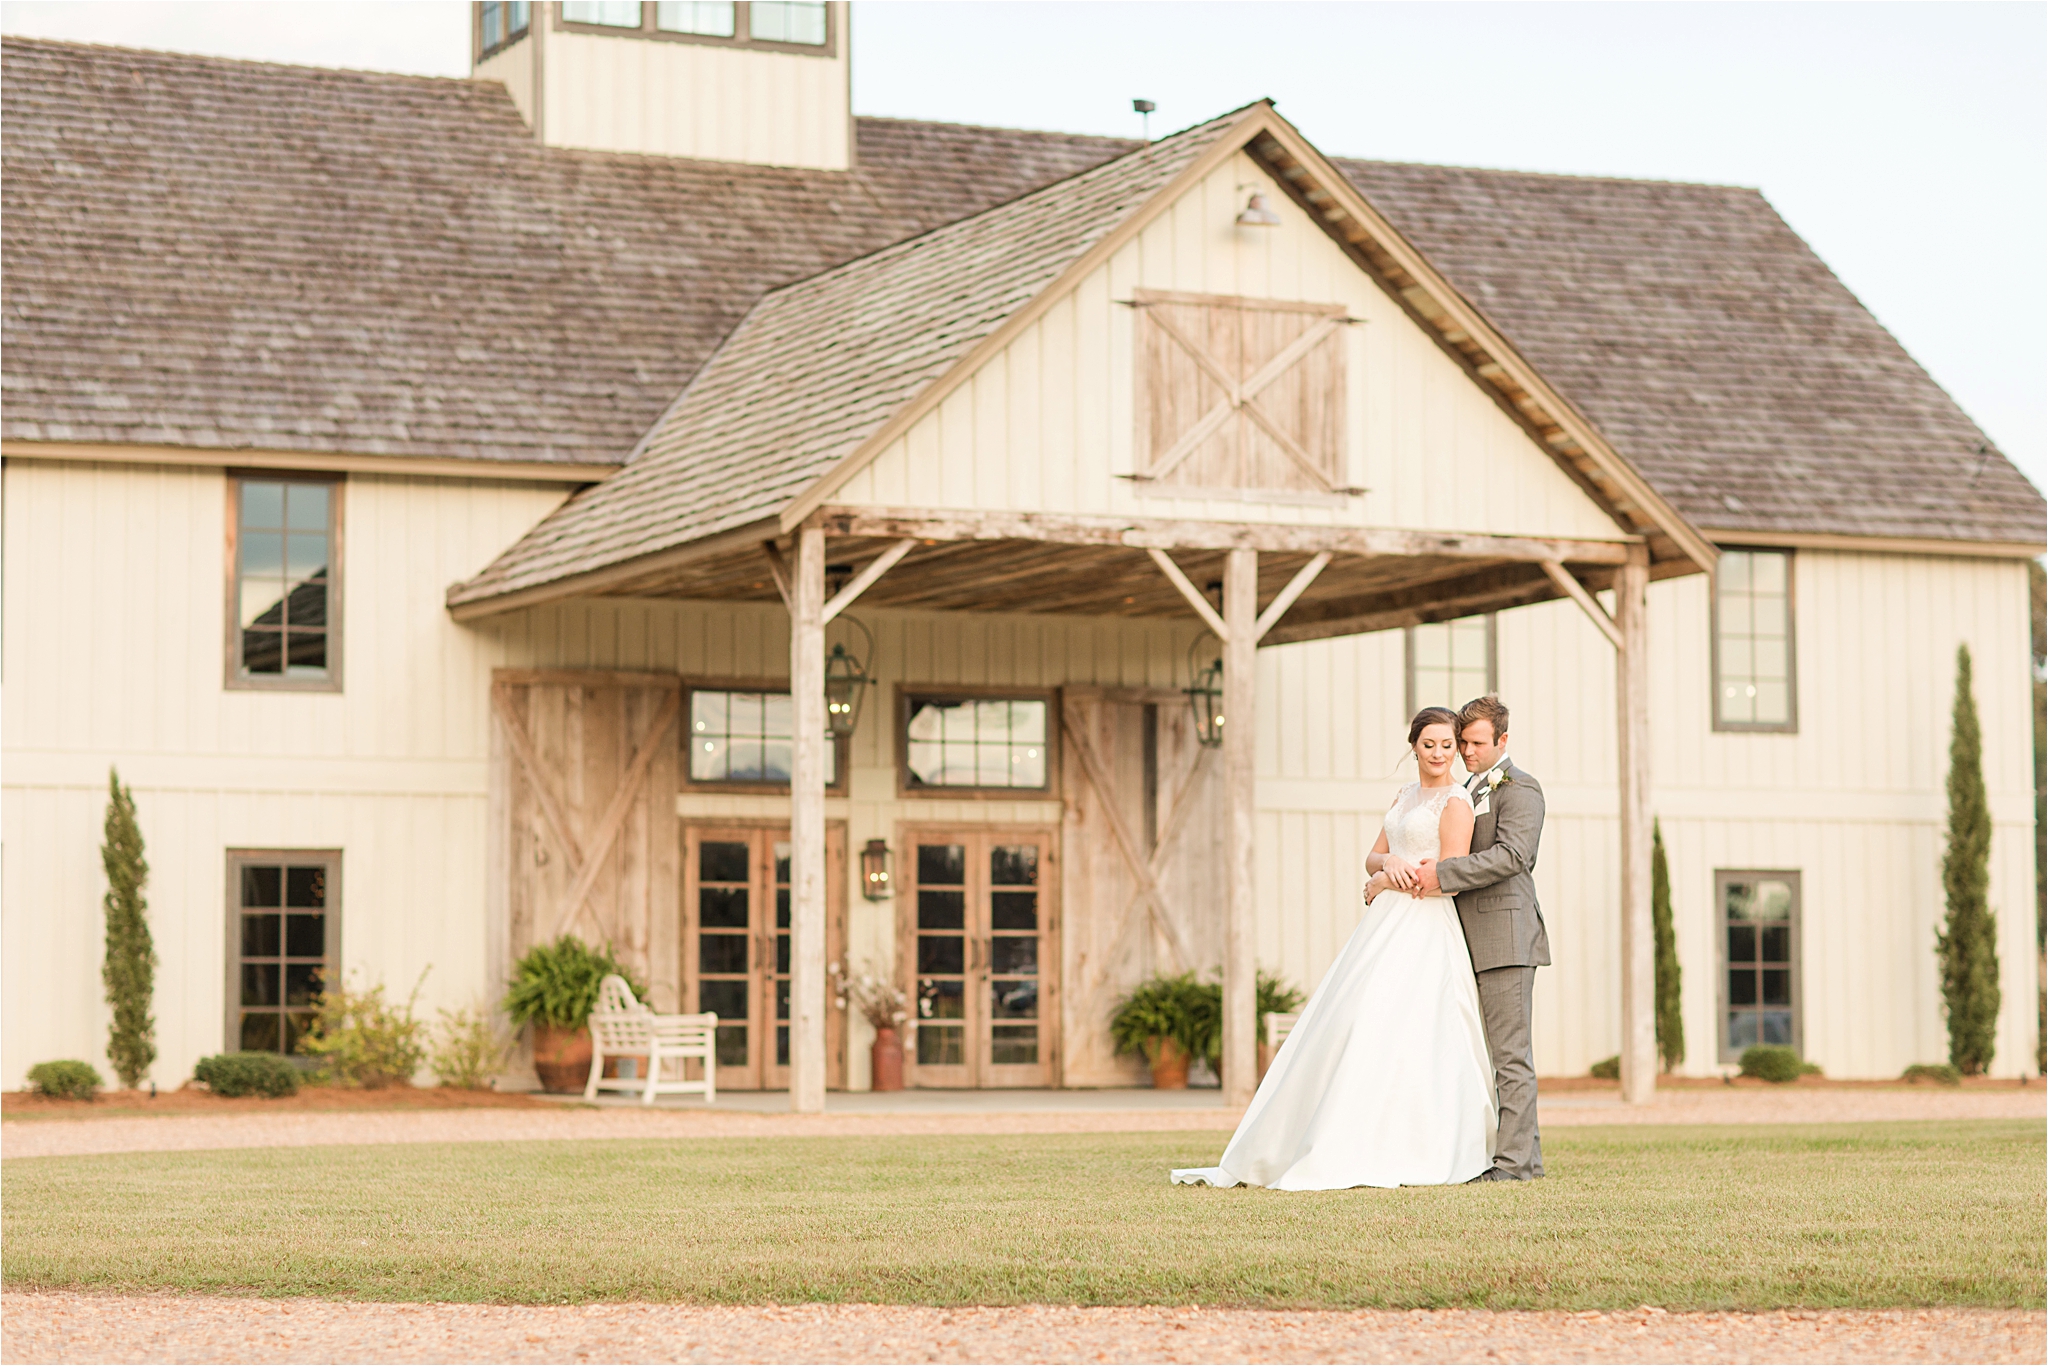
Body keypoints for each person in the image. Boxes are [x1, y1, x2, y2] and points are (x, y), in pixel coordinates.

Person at [1171, 707, 1496, 1189]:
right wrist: (1385, 864)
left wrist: (1387, 880)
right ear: (1414, 746)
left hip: (1425, 927)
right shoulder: (1405, 795)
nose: (1439, 754)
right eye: (1429, 744)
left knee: (1412, 1026)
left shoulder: (1455, 803)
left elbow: (1448, 879)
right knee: (1354, 1019)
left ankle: (1415, 1140)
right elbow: (1371, 856)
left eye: (1448, 745)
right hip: (1384, 926)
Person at [1411, 695, 1549, 1181]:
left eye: (1475, 743)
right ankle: (1524, 1161)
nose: (1465, 752)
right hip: (1467, 939)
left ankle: (1512, 1167)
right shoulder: (1468, 788)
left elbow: (1515, 856)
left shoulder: (1521, 789)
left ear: (1502, 741)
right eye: (1462, 743)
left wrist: (1444, 873)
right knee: (1490, 1054)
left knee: (1510, 1057)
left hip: (1506, 937)